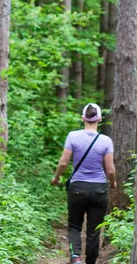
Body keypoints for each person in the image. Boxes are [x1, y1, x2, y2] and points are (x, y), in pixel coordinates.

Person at [52, 103, 117, 264]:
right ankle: (90, 262)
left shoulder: (72, 136)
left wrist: (56, 177)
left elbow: (63, 163)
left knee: (74, 225)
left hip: (78, 187)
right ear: (99, 119)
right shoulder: (106, 141)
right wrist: (113, 182)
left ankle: (75, 258)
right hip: (99, 189)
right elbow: (110, 170)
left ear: (83, 118)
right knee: (94, 230)